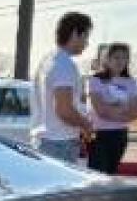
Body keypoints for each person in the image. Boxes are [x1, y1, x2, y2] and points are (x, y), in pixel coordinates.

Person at [30, 11, 95, 164]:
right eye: (85, 36)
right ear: (74, 34)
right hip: (60, 143)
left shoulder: (48, 60)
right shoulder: (64, 65)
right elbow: (64, 110)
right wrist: (86, 125)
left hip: (45, 140)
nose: (87, 43)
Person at [86, 43, 137, 175]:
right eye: (116, 57)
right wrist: (124, 110)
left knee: (111, 174)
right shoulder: (96, 80)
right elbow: (100, 110)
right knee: (97, 175)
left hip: (120, 135)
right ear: (107, 59)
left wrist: (112, 109)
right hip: (99, 135)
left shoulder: (130, 82)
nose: (120, 61)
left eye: (124, 58)